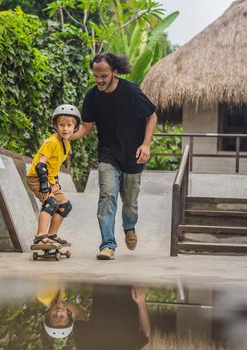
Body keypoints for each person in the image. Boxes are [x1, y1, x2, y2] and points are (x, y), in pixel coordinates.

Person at [71, 52, 158, 260]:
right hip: (108, 154)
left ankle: (129, 226)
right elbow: (86, 126)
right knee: (107, 195)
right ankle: (107, 245)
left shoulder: (131, 92)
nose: (99, 80)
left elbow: (151, 116)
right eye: (96, 75)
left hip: (133, 155)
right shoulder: (92, 96)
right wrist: (68, 136)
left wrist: (146, 145)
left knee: (130, 203)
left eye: (104, 76)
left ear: (115, 72)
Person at [26, 104, 81, 247]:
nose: (65, 128)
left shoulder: (66, 144)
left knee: (65, 206)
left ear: (75, 128)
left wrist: (55, 182)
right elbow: (41, 165)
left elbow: (54, 165)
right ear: (55, 126)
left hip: (50, 180)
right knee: (50, 203)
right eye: (61, 125)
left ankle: (52, 235)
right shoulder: (51, 142)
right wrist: (45, 186)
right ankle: (40, 236)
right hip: (37, 178)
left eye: (69, 125)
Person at [73, 284, 151, 349]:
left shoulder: (85, 347)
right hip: (129, 293)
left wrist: (62, 304)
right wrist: (141, 303)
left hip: (102, 290)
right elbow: (145, 334)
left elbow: (79, 314)